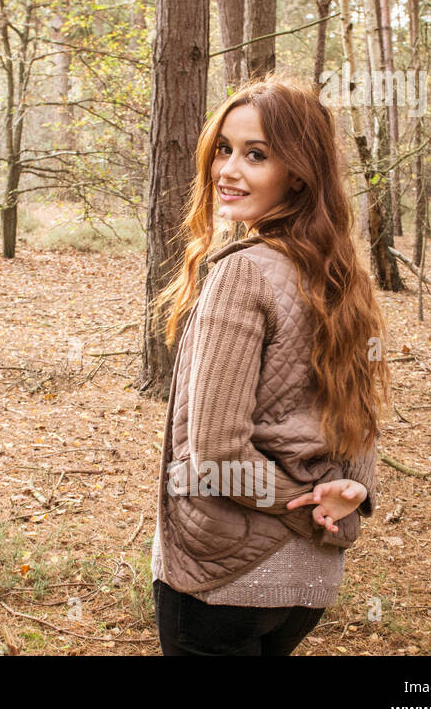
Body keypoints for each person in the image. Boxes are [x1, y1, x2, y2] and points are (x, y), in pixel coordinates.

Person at [147, 73, 389, 656]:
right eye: (223, 150)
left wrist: (308, 512)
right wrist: (353, 492)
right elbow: (360, 418)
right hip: (306, 586)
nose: (227, 170)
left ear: (299, 172)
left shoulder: (243, 271)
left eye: (256, 154)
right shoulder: (340, 274)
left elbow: (216, 454)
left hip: (221, 577)